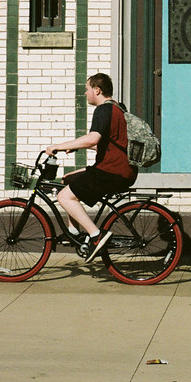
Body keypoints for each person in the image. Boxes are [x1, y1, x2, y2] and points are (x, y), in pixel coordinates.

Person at [45, 73, 137, 263]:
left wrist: (58, 146)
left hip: (112, 171)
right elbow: (108, 143)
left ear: (97, 90)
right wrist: (74, 146)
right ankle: (73, 231)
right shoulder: (118, 108)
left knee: (63, 196)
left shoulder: (104, 110)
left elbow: (93, 139)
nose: (85, 93)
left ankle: (96, 236)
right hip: (119, 169)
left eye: (87, 89)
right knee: (68, 181)